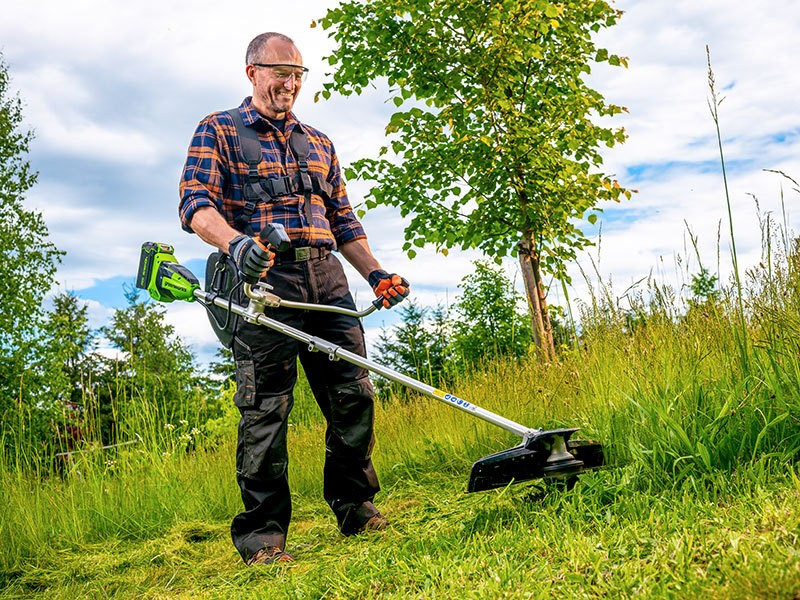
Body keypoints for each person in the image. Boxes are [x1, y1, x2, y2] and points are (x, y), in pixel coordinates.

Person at [178, 31, 409, 566]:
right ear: (252, 72)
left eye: (299, 74)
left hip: (327, 279)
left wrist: (375, 274)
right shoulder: (219, 130)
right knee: (265, 409)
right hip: (263, 284)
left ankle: (356, 508)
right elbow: (194, 205)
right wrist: (236, 244)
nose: (290, 83)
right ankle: (263, 537)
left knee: (354, 395)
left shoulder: (319, 142)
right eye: (281, 72)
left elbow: (343, 220)